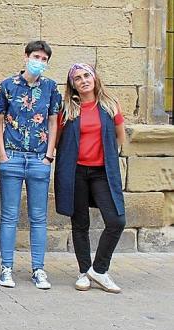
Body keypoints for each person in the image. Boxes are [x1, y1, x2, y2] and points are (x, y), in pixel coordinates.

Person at [0, 40, 62, 290]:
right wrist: (1, 154)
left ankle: (38, 269)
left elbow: (54, 123)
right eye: (36, 57)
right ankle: (6, 267)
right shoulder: (8, 85)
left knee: (38, 217)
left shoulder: (52, 88)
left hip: (39, 158)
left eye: (44, 59)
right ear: (26, 56)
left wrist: (49, 155)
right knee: (9, 216)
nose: (39, 62)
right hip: (11, 155)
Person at [55, 63, 126, 294]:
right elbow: (56, 139)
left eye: (87, 75)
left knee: (116, 221)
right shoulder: (67, 109)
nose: (83, 80)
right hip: (75, 172)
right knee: (80, 223)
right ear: (72, 85)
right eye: (78, 78)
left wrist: (106, 155)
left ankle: (99, 269)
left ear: (95, 78)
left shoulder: (109, 105)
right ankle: (84, 272)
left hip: (101, 172)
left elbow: (119, 137)